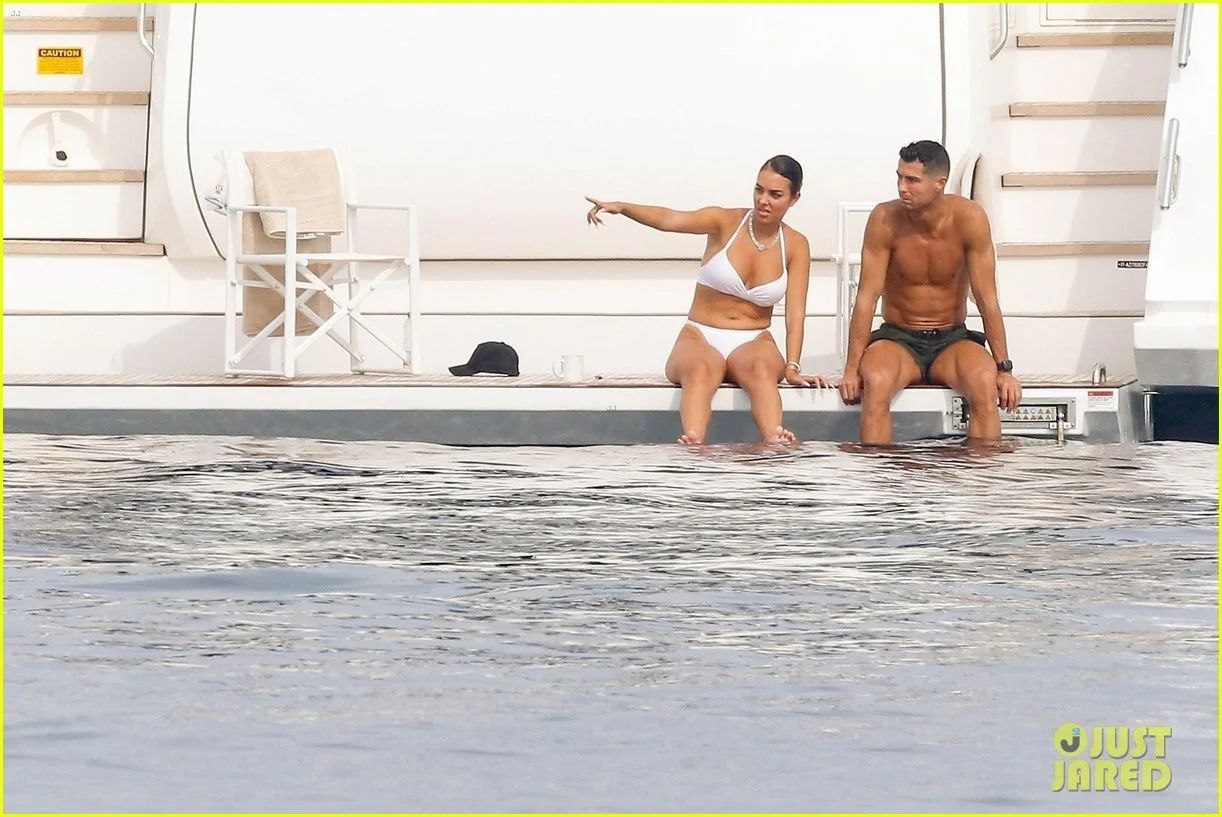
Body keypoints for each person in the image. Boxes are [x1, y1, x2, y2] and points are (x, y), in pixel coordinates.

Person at [586, 156, 830, 445]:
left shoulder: (796, 244)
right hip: (701, 334)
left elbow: (795, 314)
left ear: (794, 198)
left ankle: (774, 439)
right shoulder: (724, 221)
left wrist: (793, 366)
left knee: (762, 370)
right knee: (700, 369)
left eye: (775, 195)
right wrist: (623, 207)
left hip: (754, 339)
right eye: (758, 190)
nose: (763, 200)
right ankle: (693, 441)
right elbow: (670, 220)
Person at [838, 140, 1022, 444]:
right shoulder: (884, 219)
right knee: (877, 383)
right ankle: (878, 471)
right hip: (898, 339)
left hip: (952, 338)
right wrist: (850, 369)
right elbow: (866, 298)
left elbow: (987, 299)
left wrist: (1004, 368)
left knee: (984, 382)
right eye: (899, 177)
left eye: (912, 180)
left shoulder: (969, 218)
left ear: (940, 183)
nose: (902, 187)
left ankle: (984, 472)